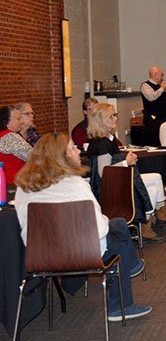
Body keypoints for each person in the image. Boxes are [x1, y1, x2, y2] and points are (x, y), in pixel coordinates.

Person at [13, 133, 152, 322]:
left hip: (40, 256)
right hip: (83, 253)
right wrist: (104, 218)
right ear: (61, 157)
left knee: (117, 225)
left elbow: (24, 227)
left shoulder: (24, 187)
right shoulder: (76, 184)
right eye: (73, 148)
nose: (78, 150)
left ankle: (131, 266)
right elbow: (98, 230)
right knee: (117, 228)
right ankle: (121, 304)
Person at [87, 103, 166, 243]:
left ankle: (160, 212)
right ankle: (146, 224)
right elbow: (104, 173)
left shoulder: (108, 139)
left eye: (115, 115)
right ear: (101, 120)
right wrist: (126, 162)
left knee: (156, 177)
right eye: (111, 116)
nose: (115, 119)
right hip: (110, 189)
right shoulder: (102, 143)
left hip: (118, 180)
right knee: (151, 189)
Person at [0, 105, 32, 185]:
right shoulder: (10, 137)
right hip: (14, 184)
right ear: (7, 122)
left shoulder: (3, 135)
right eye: (18, 119)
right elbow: (33, 157)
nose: (21, 121)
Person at [140, 66, 166, 146]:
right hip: (152, 120)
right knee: (154, 142)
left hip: (163, 118)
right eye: (161, 75)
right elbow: (151, 97)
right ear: (155, 74)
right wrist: (162, 88)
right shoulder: (145, 85)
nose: (162, 77)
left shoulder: (160, 87)